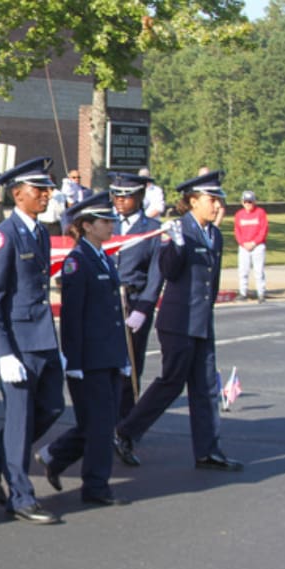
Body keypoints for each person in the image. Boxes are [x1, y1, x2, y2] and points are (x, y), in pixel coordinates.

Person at [114, 170, 244, 472]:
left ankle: (208, 450)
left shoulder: (215, 234)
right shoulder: (178, 231)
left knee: (205, 387)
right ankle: (125, 431)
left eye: (218, 199)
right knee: (171, 383)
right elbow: (169, 272)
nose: (217, 205)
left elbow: (212, 282)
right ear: (193, 201)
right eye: (212, 199)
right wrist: (176, 245)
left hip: (201, 322)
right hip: (178, 321)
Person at [0, 157, 65, 525]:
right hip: (18, 344)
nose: (46, 195)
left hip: (42, 341)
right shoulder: (4, 235)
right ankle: (21, 497)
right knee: (20, 421)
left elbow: (38, 292)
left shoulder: (40, 232)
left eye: (47, 189)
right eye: (40, 190)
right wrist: (4, 353)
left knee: (52, 407)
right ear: (18, 193)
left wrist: (56, 346)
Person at [36, 191, 131, 507]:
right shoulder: (77, 262)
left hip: (109, 355)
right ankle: (96, 486)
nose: (111, 225)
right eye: (106, 221)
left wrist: (123, 357)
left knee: (99, 422)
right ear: (88, 226)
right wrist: (73, 360)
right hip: (89, 360)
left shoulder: (103, 257)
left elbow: (112, 315)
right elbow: (73, 317)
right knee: (101, 426)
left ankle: (56, 455)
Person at [109, 171, 164, 421]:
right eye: (116, 195)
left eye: (126, 196)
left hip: (133, 303)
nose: (120, 200)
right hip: (106, 303)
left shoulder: (152, 230)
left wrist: (143, 308)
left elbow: (155, 274)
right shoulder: (105, 223)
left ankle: (125, 424)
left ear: (140, 196)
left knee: (129, 367)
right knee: (104, 365)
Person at [234, 190, 268, 303]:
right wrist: (243, 243)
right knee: (243, 271)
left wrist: (254, 243)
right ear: (242, 202)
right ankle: (243, 292)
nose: (248, 204)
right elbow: (237, 231)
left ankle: (261, 293)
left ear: (254, 202)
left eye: (250, 201)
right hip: (244, 246)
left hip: (257, 245)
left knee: (259, 271)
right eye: (246, 201)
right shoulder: (239, 214)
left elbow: (263, 230)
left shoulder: (260, 213)